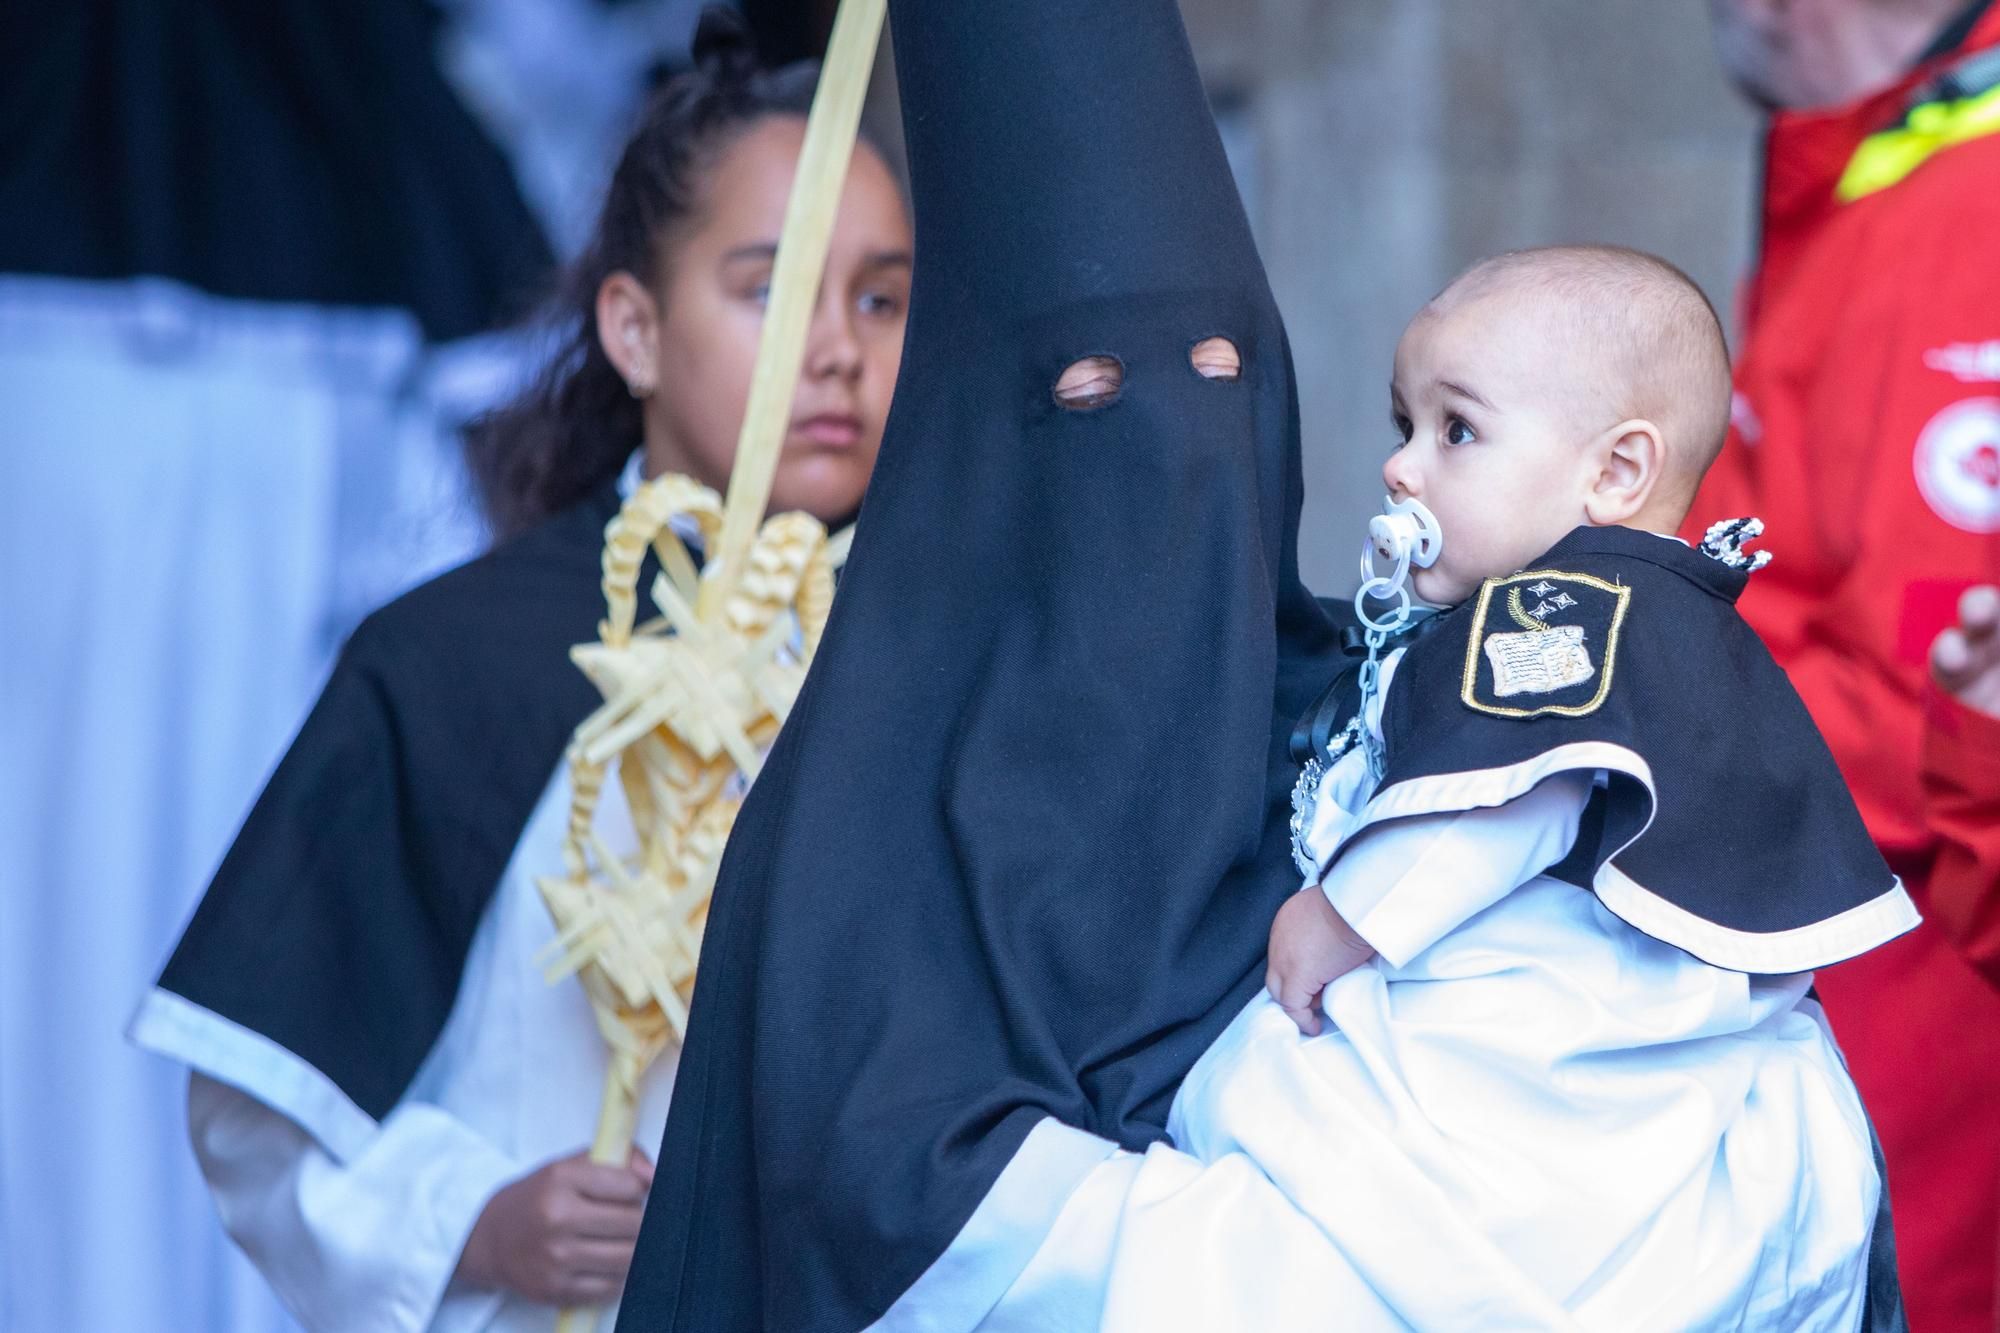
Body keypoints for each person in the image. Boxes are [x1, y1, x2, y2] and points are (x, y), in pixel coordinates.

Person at [126, 15, 913, 1330]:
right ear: (635, 326)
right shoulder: (457, 657)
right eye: (769, 289)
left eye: (882, 297)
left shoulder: (933, 657)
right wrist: (473, 1222)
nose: (836, 349)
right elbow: (254, 1100)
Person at [1693, 2, 2000, 1325]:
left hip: (1913, 1124)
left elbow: (1936, 701)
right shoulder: (1884, 170)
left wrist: (1632, 717)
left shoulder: (1968, 212)